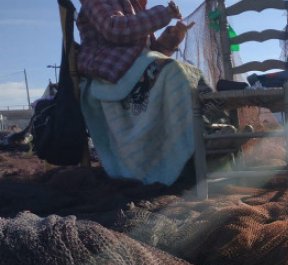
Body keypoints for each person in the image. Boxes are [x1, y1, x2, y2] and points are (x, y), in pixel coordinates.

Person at [77, 0, 207, 185]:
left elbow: (149, 52)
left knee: (190, 74)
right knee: (174, 72)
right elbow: (115, 29)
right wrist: (164, 14)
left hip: (132, 69)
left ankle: (208, 136)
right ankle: (184, 157)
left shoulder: (134, 6)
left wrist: (170, 41)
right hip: (110, 73)